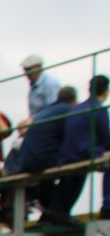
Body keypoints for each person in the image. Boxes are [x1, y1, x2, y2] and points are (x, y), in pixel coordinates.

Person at [14, 86, 80, 224]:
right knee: (78, 168)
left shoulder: (47, 111)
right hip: (41, 159)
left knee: (51, 176)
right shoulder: (67, 110)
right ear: (74, 100)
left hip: (26, 160)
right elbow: (71, 138)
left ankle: (49, 212)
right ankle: (59, 211)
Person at [53, 75, 110, 224]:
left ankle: (57, 208)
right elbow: (105, 138)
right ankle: (108, 207)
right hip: (83, 152)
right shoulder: (98, 109)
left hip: (66, 155)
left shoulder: (77, 108)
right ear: (106, 90)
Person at [23, 54, 60, 120]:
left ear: (38, 67)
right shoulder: (34, 85)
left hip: (47, 122)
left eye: (29, 70)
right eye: (25, 70)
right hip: (37, 121)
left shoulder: (50, 84)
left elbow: (53, 109)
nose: (27, 74)